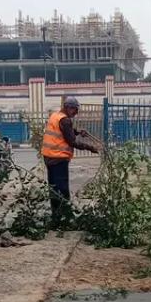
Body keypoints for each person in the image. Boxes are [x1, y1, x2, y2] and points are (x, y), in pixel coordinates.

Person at [41, 96, 97, 228]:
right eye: (75, 110)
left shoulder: (55, 116)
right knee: (62, 190)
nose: (76, 113)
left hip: (49, 158)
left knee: (54, 189)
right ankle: (66, 219)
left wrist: (77, 132)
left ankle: (56, 219)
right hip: (59, 158)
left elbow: (65, 133)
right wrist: (90, 147)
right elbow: (71, 141)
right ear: (68, 107)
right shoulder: (65, 120)